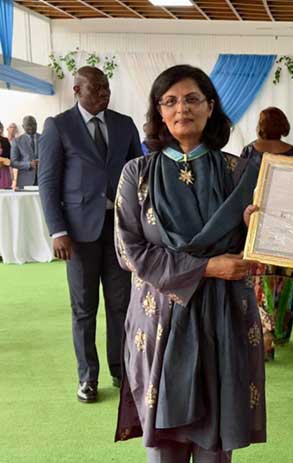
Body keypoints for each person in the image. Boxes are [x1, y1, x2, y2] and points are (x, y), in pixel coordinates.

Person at [113, 64, 266, 461]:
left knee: (216, 442)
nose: (182, 108)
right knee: (164, 442)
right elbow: (129, 251)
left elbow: (261, 248)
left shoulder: (240, 172)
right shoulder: (137, 174)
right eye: (170, 101)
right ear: (159, 113)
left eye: (193, 98)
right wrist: (207, 268)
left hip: (224, 318)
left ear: (210, 106)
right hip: (159, 318)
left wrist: (257, 231)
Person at [38, 67, 142, 403]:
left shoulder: (124, 124)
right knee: (84, 308)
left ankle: (121, 371)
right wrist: (58, 230)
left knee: (120, 305)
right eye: (96, 88)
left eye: (107, 87)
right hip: (78, 234)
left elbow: (138, 176)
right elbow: (48, 182)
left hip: (119, 231)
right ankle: (87, 377)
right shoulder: (58, 126)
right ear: (77, 89)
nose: (104, 93)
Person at [241, 106, 293, 361]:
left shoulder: (249, 151)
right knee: (283, 277)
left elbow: (240, 187)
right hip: (287, 225)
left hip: (257, 223)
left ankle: (263, 333)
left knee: (258, 279)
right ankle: (278, 330)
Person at [10, 115, 41, 189]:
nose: (31, 127)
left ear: (36, 124)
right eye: (28, 125)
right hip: (25, 181)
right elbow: (13, 162)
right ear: (23, 126)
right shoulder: (17, 141)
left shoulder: (44, 138)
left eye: (33, 124)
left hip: (43, 179)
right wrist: (29, 164)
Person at [0, 121, 12, 189]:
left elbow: (10, 156)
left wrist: (3, 161)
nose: (0, 130)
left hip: (4, 170)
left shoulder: (5, 140)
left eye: (1, 128)